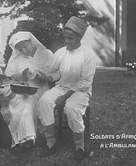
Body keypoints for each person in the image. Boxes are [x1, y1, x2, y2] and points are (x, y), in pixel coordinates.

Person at [36, 16, 96, 161]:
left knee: (71, 108)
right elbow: (52, 71)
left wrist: (65, 97)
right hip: (62, 87)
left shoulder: (88, 55)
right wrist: (45, 76)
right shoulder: (61, 52)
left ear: (79, 38)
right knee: (44, 102)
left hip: (80, 91)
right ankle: (51, 142)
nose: (67, 41)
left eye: (71, 38)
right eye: (65, 38)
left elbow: (85, 81)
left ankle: (80, 146)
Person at [4, 31, 55, 148]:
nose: (24, 50)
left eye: (25, 46)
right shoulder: (15, 60)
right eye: (20, 49)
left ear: (31, 42)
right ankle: (26, 137)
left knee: (36, 102)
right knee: (24, 102)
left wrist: (44, 77)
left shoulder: (45, 53)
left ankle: (31, 135)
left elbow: (56, 73)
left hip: (42, 90)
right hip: (24, 91)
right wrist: (22, 76)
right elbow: (9, 77)